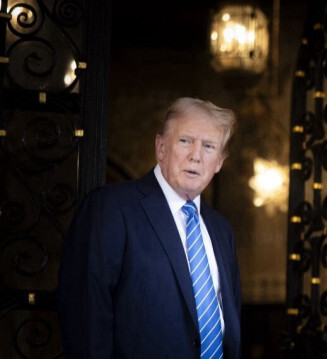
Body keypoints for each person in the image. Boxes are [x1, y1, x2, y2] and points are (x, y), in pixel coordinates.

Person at [58, 97, 241, 358]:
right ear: (161, 147)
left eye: (209, 146)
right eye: (185, 141)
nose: (196, 155)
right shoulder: (110, 209)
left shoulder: (222, 230)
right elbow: (85, 317)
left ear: (220, 162)